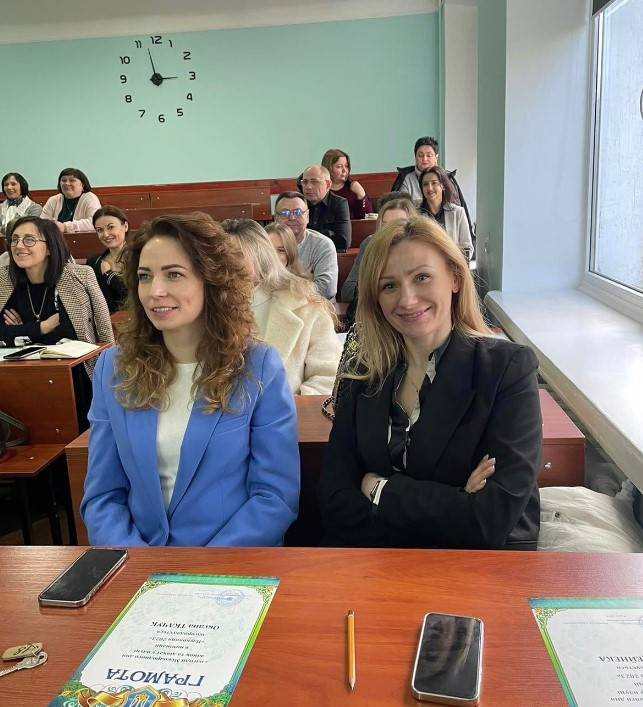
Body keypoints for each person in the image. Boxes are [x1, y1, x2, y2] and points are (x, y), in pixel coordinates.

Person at [318, 216, 541, 550]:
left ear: (455, 277)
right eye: (389, 286)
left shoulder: (507, 369)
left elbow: (489, 521)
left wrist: (379, 489)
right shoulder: (362, 373)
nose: (407, 300)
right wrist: (455, 502)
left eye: (421, 277)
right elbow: (334, 501)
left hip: (479, 568)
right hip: (376, 560)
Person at [81, 213, 300, 547]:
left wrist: (194, 569)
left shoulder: (258, 366)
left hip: (231, 561)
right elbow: (102, 496)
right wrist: (140, 563)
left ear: (211, 281)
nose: (155, 291)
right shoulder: (113, 366)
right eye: (144, 276)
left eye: (174, 274)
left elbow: (275, 497)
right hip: (138, 561)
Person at [222, 219, 342, 396]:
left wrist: (287, 409)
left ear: (260, 257)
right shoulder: (205, 309)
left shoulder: (307, 306)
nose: (228, 263)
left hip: (291, 410)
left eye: (238, 255)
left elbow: (329, 376)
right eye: (221, 256)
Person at [0, 216, 114, 378]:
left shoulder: (81, 276)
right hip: (19, 372)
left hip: (77, 372)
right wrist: (42, 327)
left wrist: (20, 331)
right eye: (15, 239)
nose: (18, 246)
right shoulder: (4, 280)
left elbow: (81, 333)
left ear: (49, 247)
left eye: (29, 240)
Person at [341, 193, 417, 304]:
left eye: (398, 225)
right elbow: (347, 291)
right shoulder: (369, 244)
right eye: (385, 225)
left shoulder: (423, 247)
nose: (390, 231)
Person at [392, 137, 473, 239]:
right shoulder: (407, 179)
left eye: (429, 155)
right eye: (420, 155)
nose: (424, 159)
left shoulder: (448, 179)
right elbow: (401, 210)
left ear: (436, 157)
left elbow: (456, 208)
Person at [274, 191, 338, 300]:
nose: (292, 217)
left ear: (307, 216)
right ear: (276, 218)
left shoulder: (323, 245)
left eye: (298, 212)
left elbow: (326, 289)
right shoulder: (265, 244)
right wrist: (306, 282)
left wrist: (281, 288)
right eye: (285, 213)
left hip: (316, 307)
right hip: (276, 306)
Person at [419, 166, 473, 261]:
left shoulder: (457, 212)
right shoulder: (417, 215)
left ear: (443, 185)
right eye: (425, 184)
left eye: (434, 183)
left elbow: (467, 248)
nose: (429, 188)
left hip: (452, 266)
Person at [87, 206, 128, 313]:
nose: (105, 234)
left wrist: (109, 275)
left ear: (125, 226)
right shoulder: (94, 263)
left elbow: (129, 299)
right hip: (107, 320)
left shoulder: (139, 257)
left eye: (111, 227)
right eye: (100, 230)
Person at [301, 165, 351, 251]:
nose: (308, 187)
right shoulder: (298, 203)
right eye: (305, 182)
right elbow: (289, 238)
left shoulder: (339, 203)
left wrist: (306, 238)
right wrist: (328, 233)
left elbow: (343, 241)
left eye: (314, 182)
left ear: (328, 185)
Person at [40, 167, 101, 233]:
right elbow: (42, 223)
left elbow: (95, 222)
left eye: (72, 180)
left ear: (82, 185)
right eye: (63, 180)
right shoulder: (53, 200)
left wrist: (65, 227)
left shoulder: (90, 198)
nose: (67, 183)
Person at [321, 149, 373, 219]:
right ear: (328, 168)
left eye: (346, 166)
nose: (344, 170)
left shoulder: (353, 187)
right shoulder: (321, 189)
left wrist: (361, 195)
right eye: (339, 167)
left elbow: (368, 217)